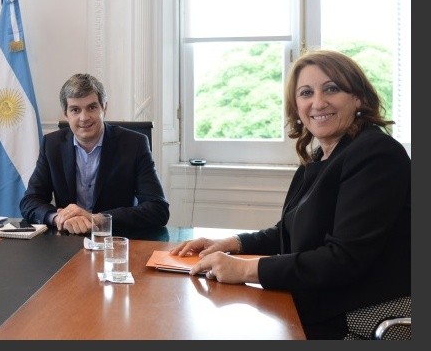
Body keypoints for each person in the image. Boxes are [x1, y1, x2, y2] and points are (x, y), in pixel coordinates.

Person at [169, 50, 410, 339]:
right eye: (306, 93)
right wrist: (232, 243)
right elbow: (290, 231)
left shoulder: (376, 154)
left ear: (358, 98)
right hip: (322, 297)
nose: (318, 102)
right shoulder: (323, 157)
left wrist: (246, 269)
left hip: (361, 309)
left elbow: (343, 259)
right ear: (296, 107)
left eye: (331, 88)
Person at [20, 73, 170, 234]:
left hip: (116, 241)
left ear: (104, 107)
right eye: (75, 110)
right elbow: (30, 201)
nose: (84, 118)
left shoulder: (134, 144)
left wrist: (97, 219)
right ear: (66, 113)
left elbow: (158, 209)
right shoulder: (52, 145)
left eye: (92, 108)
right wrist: (58, 218)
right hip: (68, 239)